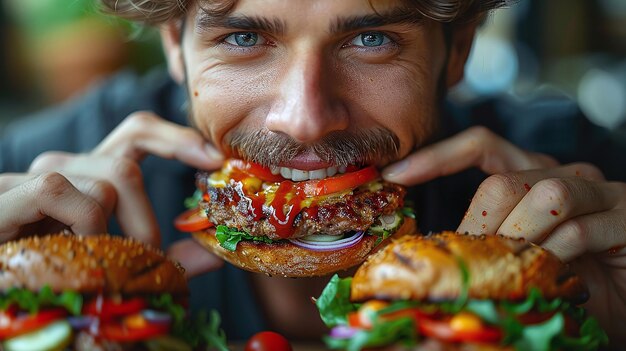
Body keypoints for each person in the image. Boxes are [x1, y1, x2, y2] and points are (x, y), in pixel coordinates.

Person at [0, 0, 625, 345]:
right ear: (173, 44)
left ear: (456, 50)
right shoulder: (41, 183)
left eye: (372, 39)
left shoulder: (579, 176)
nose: (303, 120)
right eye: (244, 39)